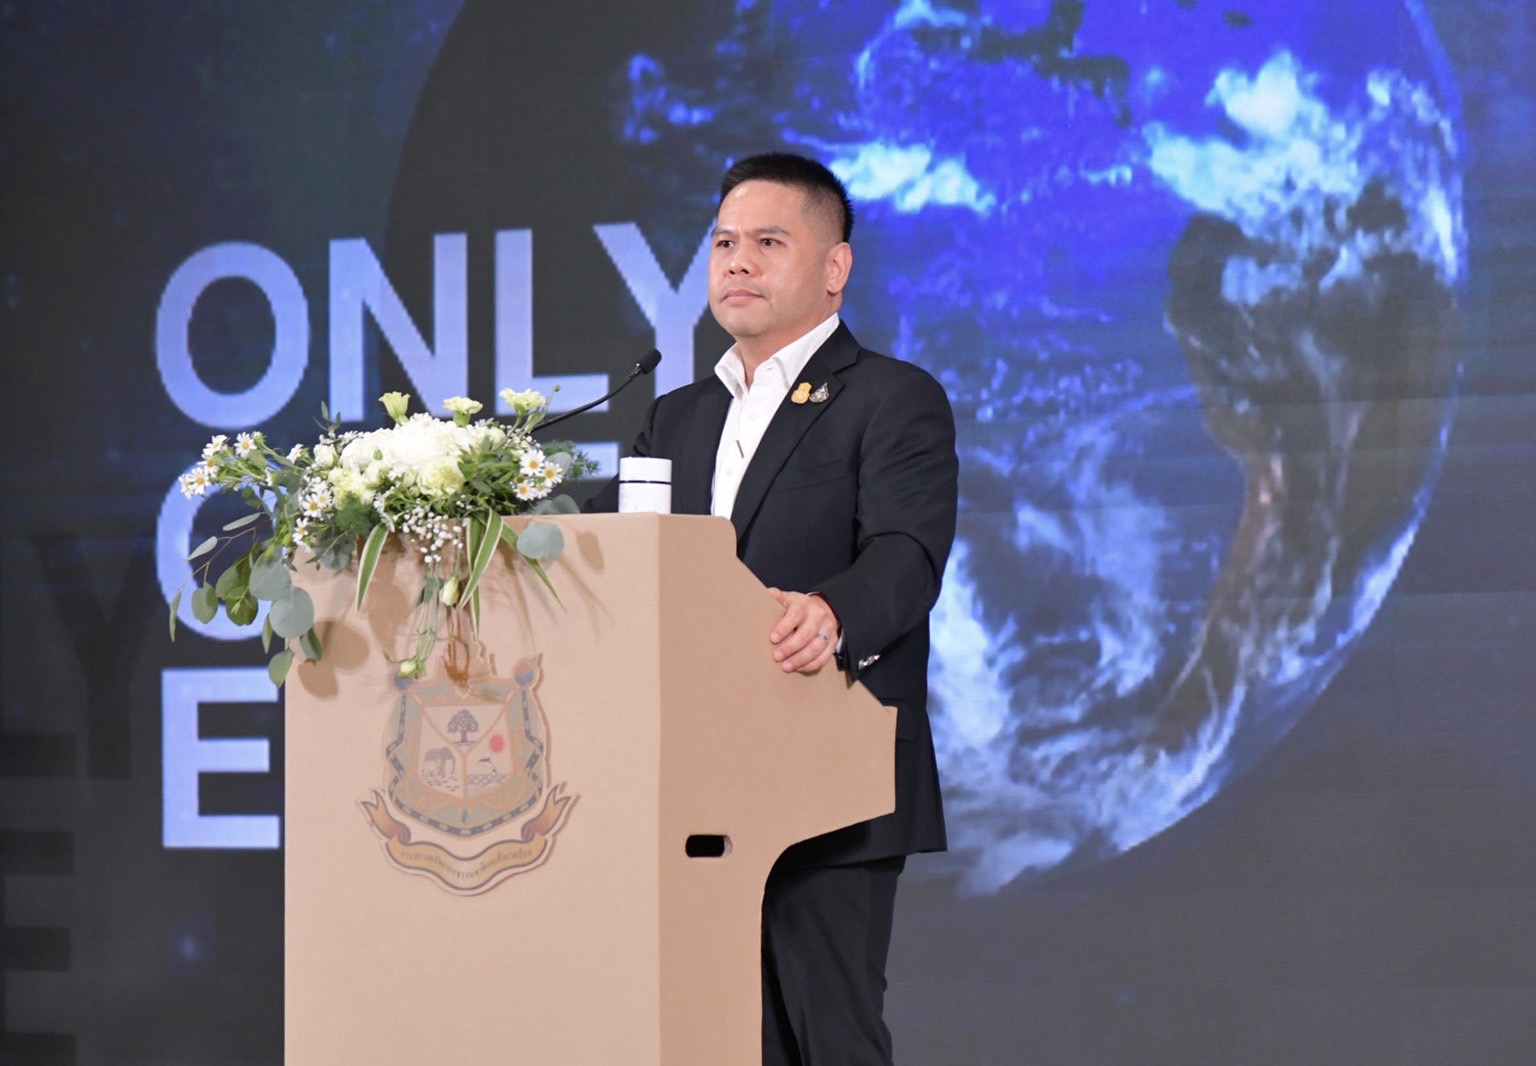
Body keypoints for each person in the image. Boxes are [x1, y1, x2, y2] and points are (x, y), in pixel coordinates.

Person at [588, 151, 957, 1065]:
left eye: (767, 242)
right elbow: (615, 552)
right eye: (723, 244)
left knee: (827, 1038)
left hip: (826, 767)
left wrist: (832, 613)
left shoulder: (889, 397)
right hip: (689, 784)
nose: (738, 263)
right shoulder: (675, 418)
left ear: (835, 268)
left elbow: (907, 554)